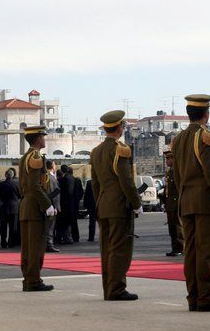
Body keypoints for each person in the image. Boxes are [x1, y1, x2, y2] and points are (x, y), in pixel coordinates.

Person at [170, 94, 210, 312]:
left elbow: (177, 175)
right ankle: (206, 297)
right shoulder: (206, 136)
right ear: (206, 114)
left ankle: (194, 296)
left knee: (191, 252)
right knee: (206, 252)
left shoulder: (178, 139)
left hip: (187, 201)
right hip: (206, 203)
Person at [90, 110, 142, 301]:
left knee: (107, 250)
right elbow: (126, 181)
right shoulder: (121, 149)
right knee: (120, 250)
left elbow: (95, 184)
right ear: (120, 128)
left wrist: (99, 203)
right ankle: (117, 289)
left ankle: (108, 288)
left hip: (103, 204)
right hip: (119, 205)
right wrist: (136, 203)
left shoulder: (96, 152)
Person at [19, 125, 55, 292]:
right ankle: (33, 280)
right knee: (35, 247)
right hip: (35, 208)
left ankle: (29, 279)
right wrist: (47, 204)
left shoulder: (25, 157)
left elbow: (23, 186)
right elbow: (34, 185)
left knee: (28, 247)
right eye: (43, 136)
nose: (45, 139)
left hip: (27, 205)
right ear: (38, 138)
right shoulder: (35, 157)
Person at [163, 150, 184, 256]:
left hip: (176, 202)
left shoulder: (177, 171)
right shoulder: (170, 171)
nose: (167, 161)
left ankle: (180, 247)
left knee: (177, 227)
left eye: (168, 159)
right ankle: (175, 247)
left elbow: (179, 188)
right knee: (172, 227)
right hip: (170, 203)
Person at [0, 168, 21, 248]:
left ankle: (3, 242)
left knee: (3, 226)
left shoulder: (0, 184)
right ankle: (11, 242)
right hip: (14, 207)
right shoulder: (17, 184)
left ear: (5, 175)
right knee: (13, 226)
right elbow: (20, 195)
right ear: (13, 175)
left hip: (3, 206)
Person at [46, 159, 61, 253]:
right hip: (51, 206)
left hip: (50, 205)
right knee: (50, 226)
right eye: (55, 165)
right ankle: (49, 244)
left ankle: (48, 244)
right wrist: (54, 206)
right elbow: (53, 193)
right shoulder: (50, 178)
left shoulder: (49, 177)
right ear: (52, 166)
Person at [57, 164, 74, 244]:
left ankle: (65, 238)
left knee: (63, 222)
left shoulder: (62, 179)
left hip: (64, 203)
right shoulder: (72, 178)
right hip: (71, 203)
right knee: (68, 222)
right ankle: (69, 237)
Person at [70, 167, 83, 243]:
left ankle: (72, 236)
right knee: (75, 221)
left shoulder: (73, 181)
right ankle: (76, 237)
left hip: (71, 204)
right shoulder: (78, 181)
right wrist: (77, 199)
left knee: (72, 221)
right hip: (76, 204)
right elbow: (81, 192)